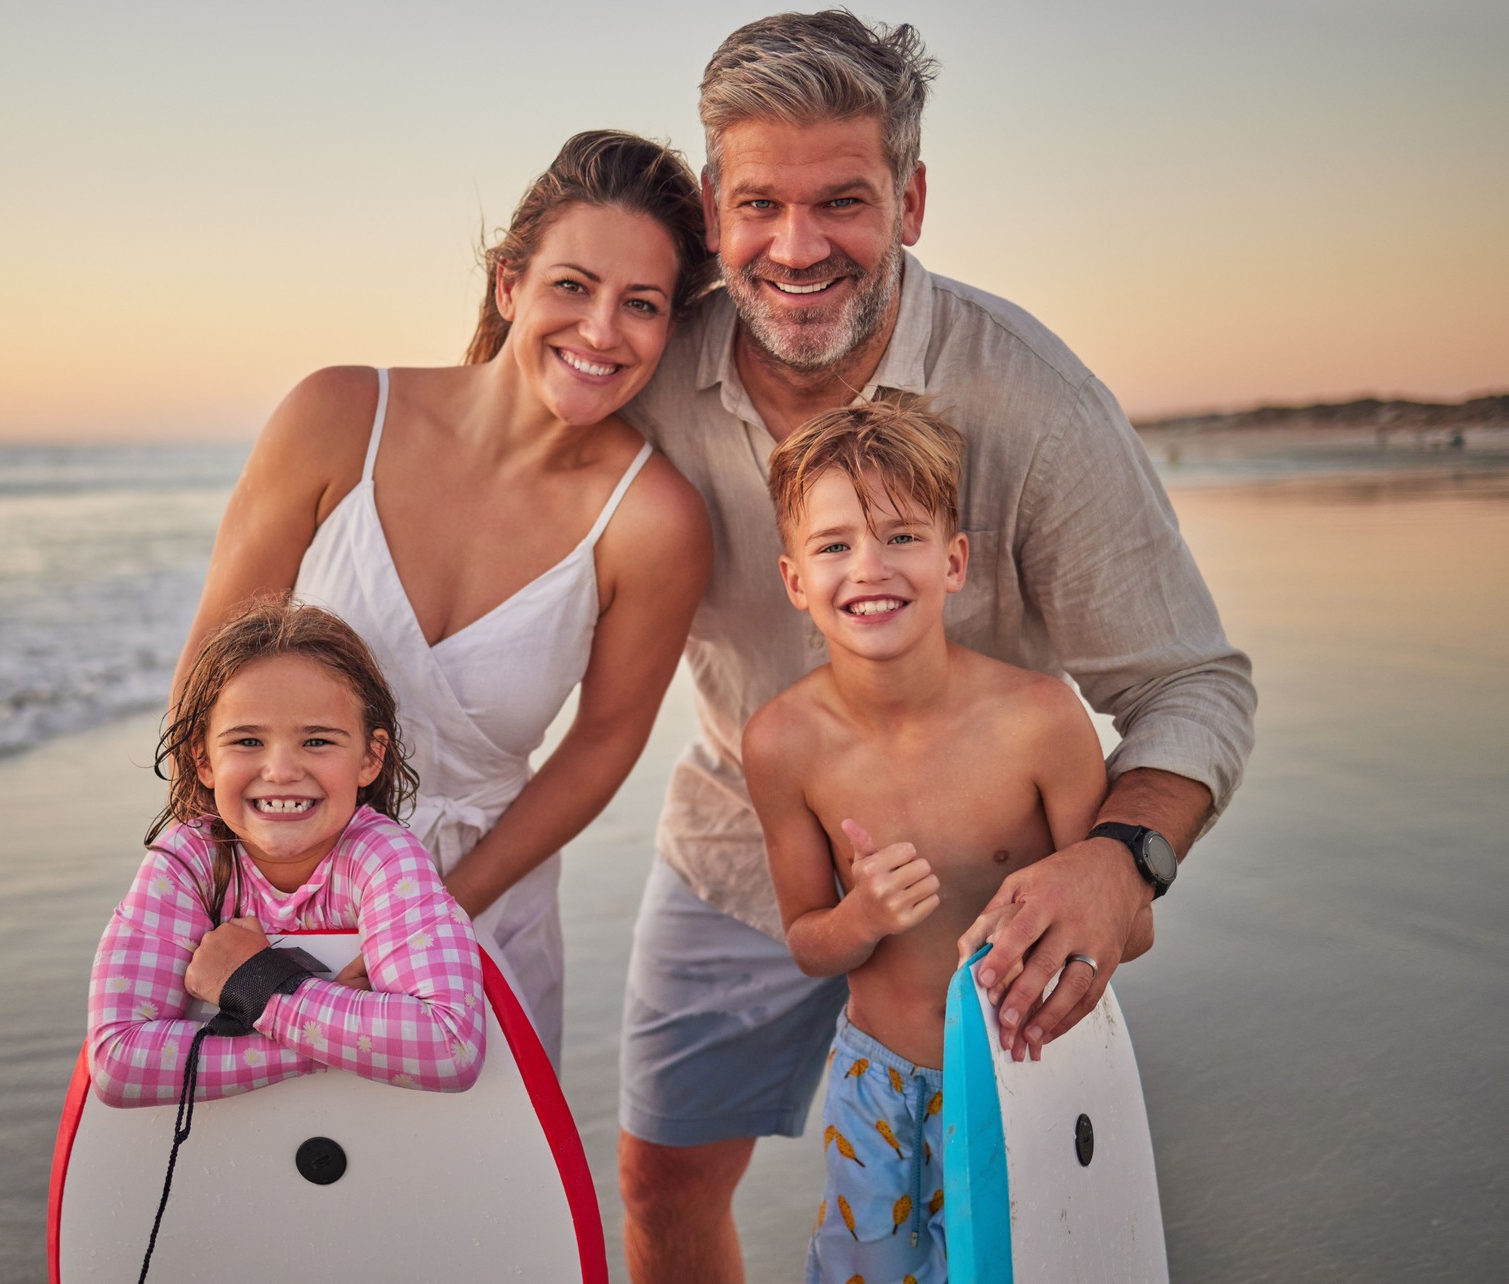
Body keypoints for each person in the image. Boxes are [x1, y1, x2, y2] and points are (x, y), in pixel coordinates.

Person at [615, 14, 1256, 1280]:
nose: (797, 249)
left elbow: (1190, 684)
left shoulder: (1031, 398)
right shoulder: (642, 366)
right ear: (709, 206)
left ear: (909, 197)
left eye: (843, 201)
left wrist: (1122, 863)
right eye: (759, 206)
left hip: (980, 898)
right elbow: (497, 461)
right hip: (742, 841)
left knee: (1001, 1225)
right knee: (660, 1181)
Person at [171, 130, 716, 1063]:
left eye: (642, 305)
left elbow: (599, 750)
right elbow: (212, 677)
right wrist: (202, 890)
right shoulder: (339, 416)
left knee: (460, 1204)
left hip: (478, 908)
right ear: (510, 283)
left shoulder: (654, 520)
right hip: (265, 888)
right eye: (571, 286)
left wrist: (432, 919)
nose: (600, 331)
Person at [747, 401, 1143, 1283]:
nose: (870, 568)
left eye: (900, 537)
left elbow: (1130, 926)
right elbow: (810, 944)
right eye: (835, 545)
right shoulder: (782, 742)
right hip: (874, 1084)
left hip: (1028, 1070)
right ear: (794, 579)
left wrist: (1039, 908)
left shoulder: (1038, 718)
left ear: (954, 559)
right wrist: (864, 914)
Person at [86, 597, 485, 1109]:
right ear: (203, 762)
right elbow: (119, 1064)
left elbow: (449, 1047)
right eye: (248, 740)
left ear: (370, 758)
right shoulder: (187, 862)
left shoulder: (382, 858)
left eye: (317, 740)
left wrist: (257, 985)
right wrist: (326, 1041)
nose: (280, 770)